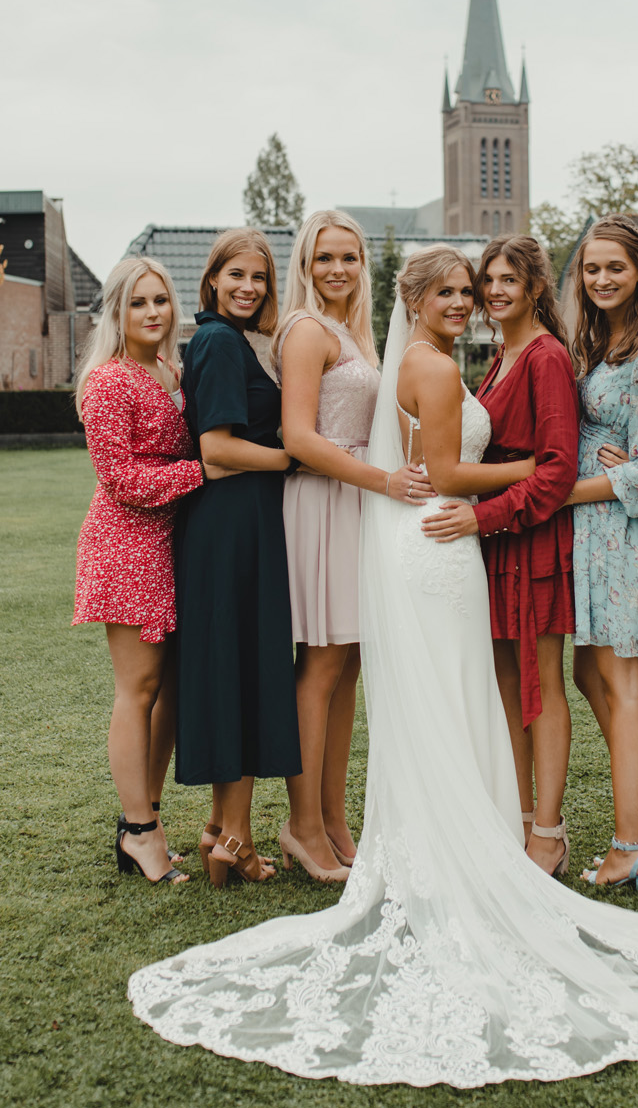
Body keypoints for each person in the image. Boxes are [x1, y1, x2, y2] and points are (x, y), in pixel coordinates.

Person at [128, 246, 638, 1087]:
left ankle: (451, 842)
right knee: (450, 695)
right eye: (450, 291)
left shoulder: (437, 358)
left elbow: (441, 464)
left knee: (447, 697)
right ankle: (452, 849)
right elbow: (449, 473)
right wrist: (541, 467)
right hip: (440, 541)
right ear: (415, 300)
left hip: (434, 540)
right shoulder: (428, 364)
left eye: (471, 290)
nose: (465, 301)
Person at [275, 210, 433, 883]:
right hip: (326, 503)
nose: (337, 269)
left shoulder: (354, 334)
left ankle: (334, 820)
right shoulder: (307, 331)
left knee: (349, 665)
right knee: (320, 666)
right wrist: (383, 481)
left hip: (360, 504)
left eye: (349, 257)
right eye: (324, 257)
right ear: (305, 266)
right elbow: (298, 437)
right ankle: (302, 826)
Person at [421, 236, 578, 878]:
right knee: (506, 686)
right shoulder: (499, 357)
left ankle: (549, 832)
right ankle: (515, 817)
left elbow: (557, 469)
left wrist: (481, 515)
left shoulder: (546, 358)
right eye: (488, 279)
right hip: (494, 546)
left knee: (542, 685)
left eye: (508, 279)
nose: (493, 291)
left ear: (535, 287)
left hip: (532, 537)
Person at [173, 228, 301, 886]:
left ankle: (222, 831)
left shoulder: (226, 339)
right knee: (242, 670)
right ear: (213, 280)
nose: (249, 287)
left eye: (259, 277)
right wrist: (292, 457)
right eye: (237, 275)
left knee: (236, 670)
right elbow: (217, 449)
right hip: (231, 526)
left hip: (237, 523)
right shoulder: (220, 341)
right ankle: (235, 839)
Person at [73, 256, 202, 886]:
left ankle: (145, 818)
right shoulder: (108, 381)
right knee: (139, 688)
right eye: (138, 302)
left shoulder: (172, 370)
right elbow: (121, 479)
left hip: (172, 542)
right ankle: (139, 830)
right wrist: (204, 472)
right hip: (127, 544)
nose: (153, 312)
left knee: (170, 690)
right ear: (117, 313)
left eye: (160, 300)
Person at [563, 216, 638, 893]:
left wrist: (560, 491)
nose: (602, 278)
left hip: (626, 536)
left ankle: (629, 843)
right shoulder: (599, 342)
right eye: (591, 268)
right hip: (592, 533)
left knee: (625, 684)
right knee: (588, 673)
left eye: (615, 267)